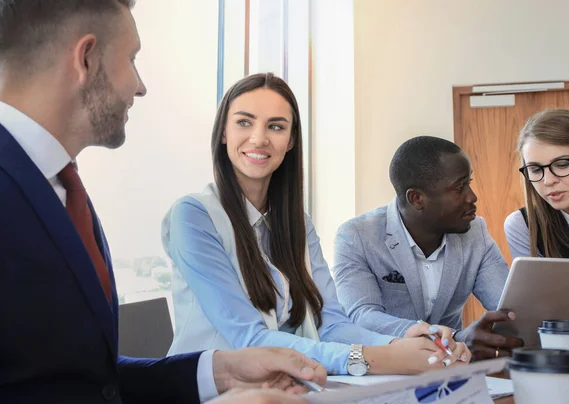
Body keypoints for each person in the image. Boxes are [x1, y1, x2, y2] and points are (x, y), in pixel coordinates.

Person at [0, 1, 326, 403]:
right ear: (85, 58)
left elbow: (87, 382)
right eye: (132, 59)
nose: (140, 86)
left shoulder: (64, 190)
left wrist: (218, 372)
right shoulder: (192, 215)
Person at [162, 73, 472, 378]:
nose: (259, 138)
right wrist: (374, 357)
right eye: (244, 122)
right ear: (224, 132)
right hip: (209, 394)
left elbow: (331, 323)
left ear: (291, 139)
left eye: (276, 126)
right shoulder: (193, 216)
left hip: (282, 389)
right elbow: (250, 340)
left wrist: (404, 343)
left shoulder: (298, 225)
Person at [332, 136, 524, 361]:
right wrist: (455, 338)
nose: (472, 197)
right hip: (384, 368)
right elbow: (362, 316)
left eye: (469, 183)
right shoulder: (357, 236)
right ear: (417, 198)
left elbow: (508, 307)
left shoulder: (475, 233)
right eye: (459, 187)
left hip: (451, 373)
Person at [504, 108, 569, 351]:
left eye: (561, 164)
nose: (548, 181)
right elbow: (537, 325)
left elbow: (565, 326)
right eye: (536, 169)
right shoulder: (522, 226)